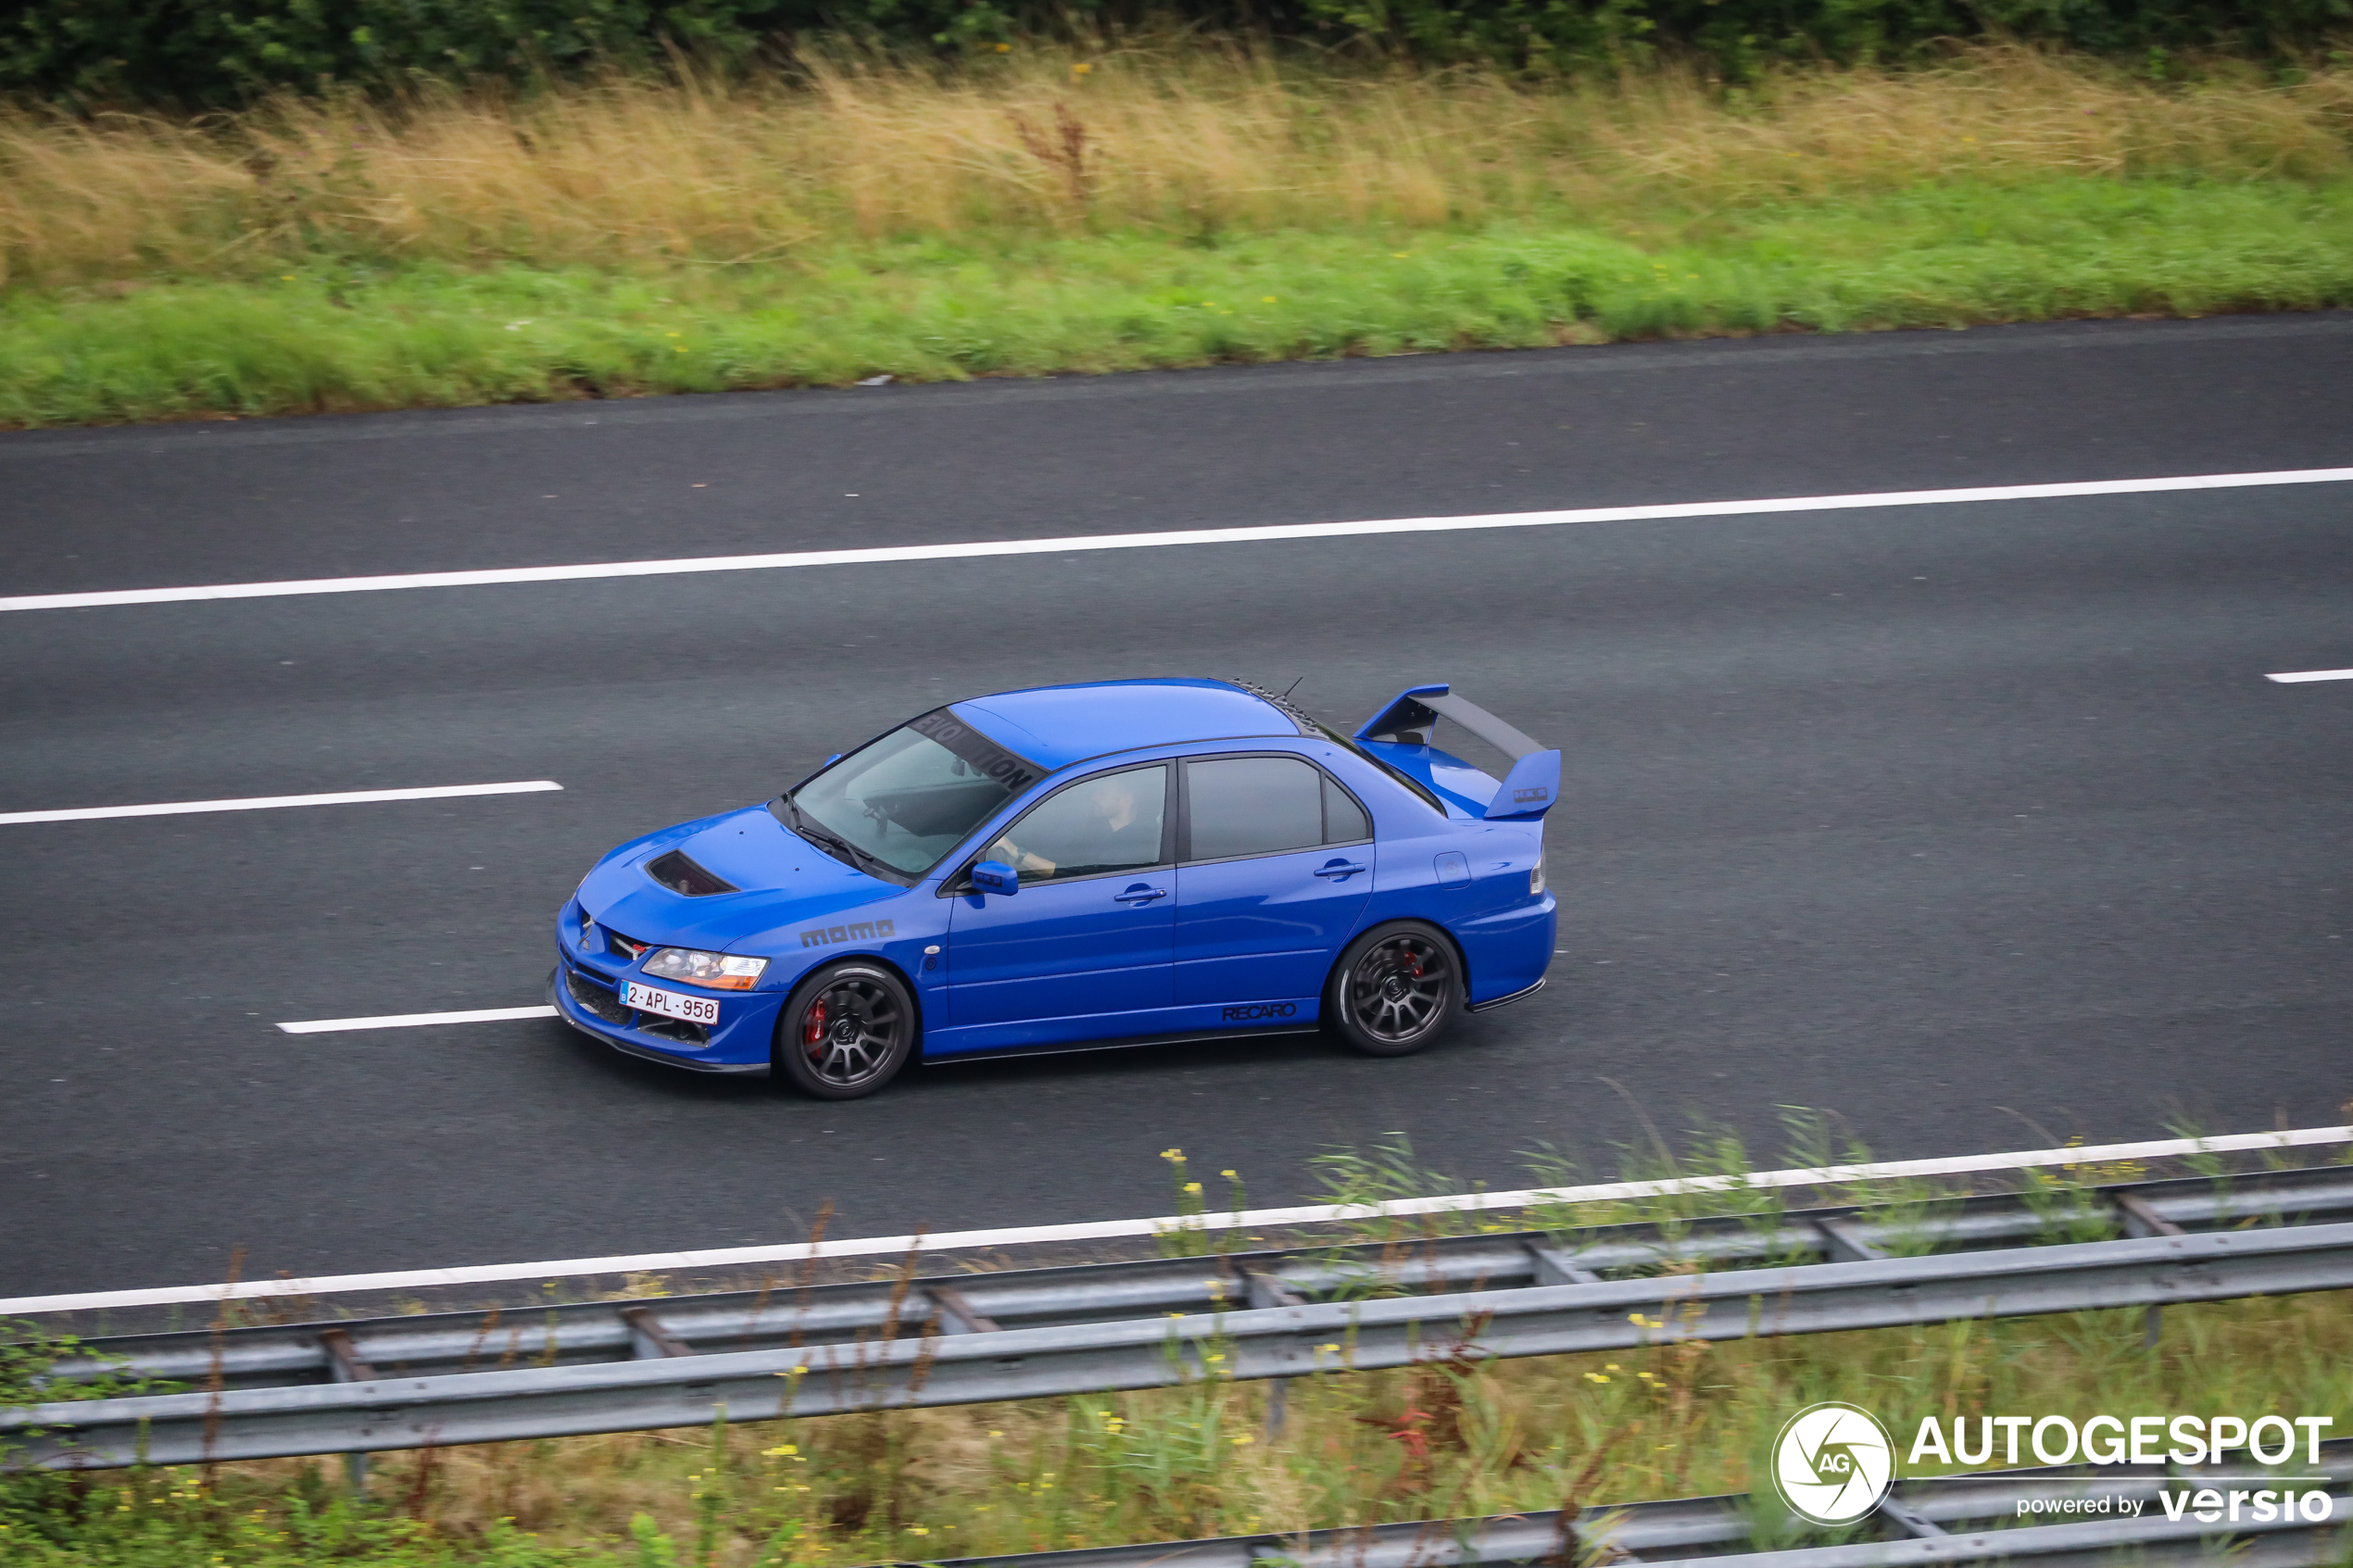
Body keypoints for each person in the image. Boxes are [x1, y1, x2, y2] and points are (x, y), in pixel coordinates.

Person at [988, 771, 1161, 880]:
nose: (1094, 797)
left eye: (1102, 794)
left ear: (1125, 800)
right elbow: (1058, 859)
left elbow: (1068, 875)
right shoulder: (1096, 828)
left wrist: (1013, 850)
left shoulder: (1136, 843)